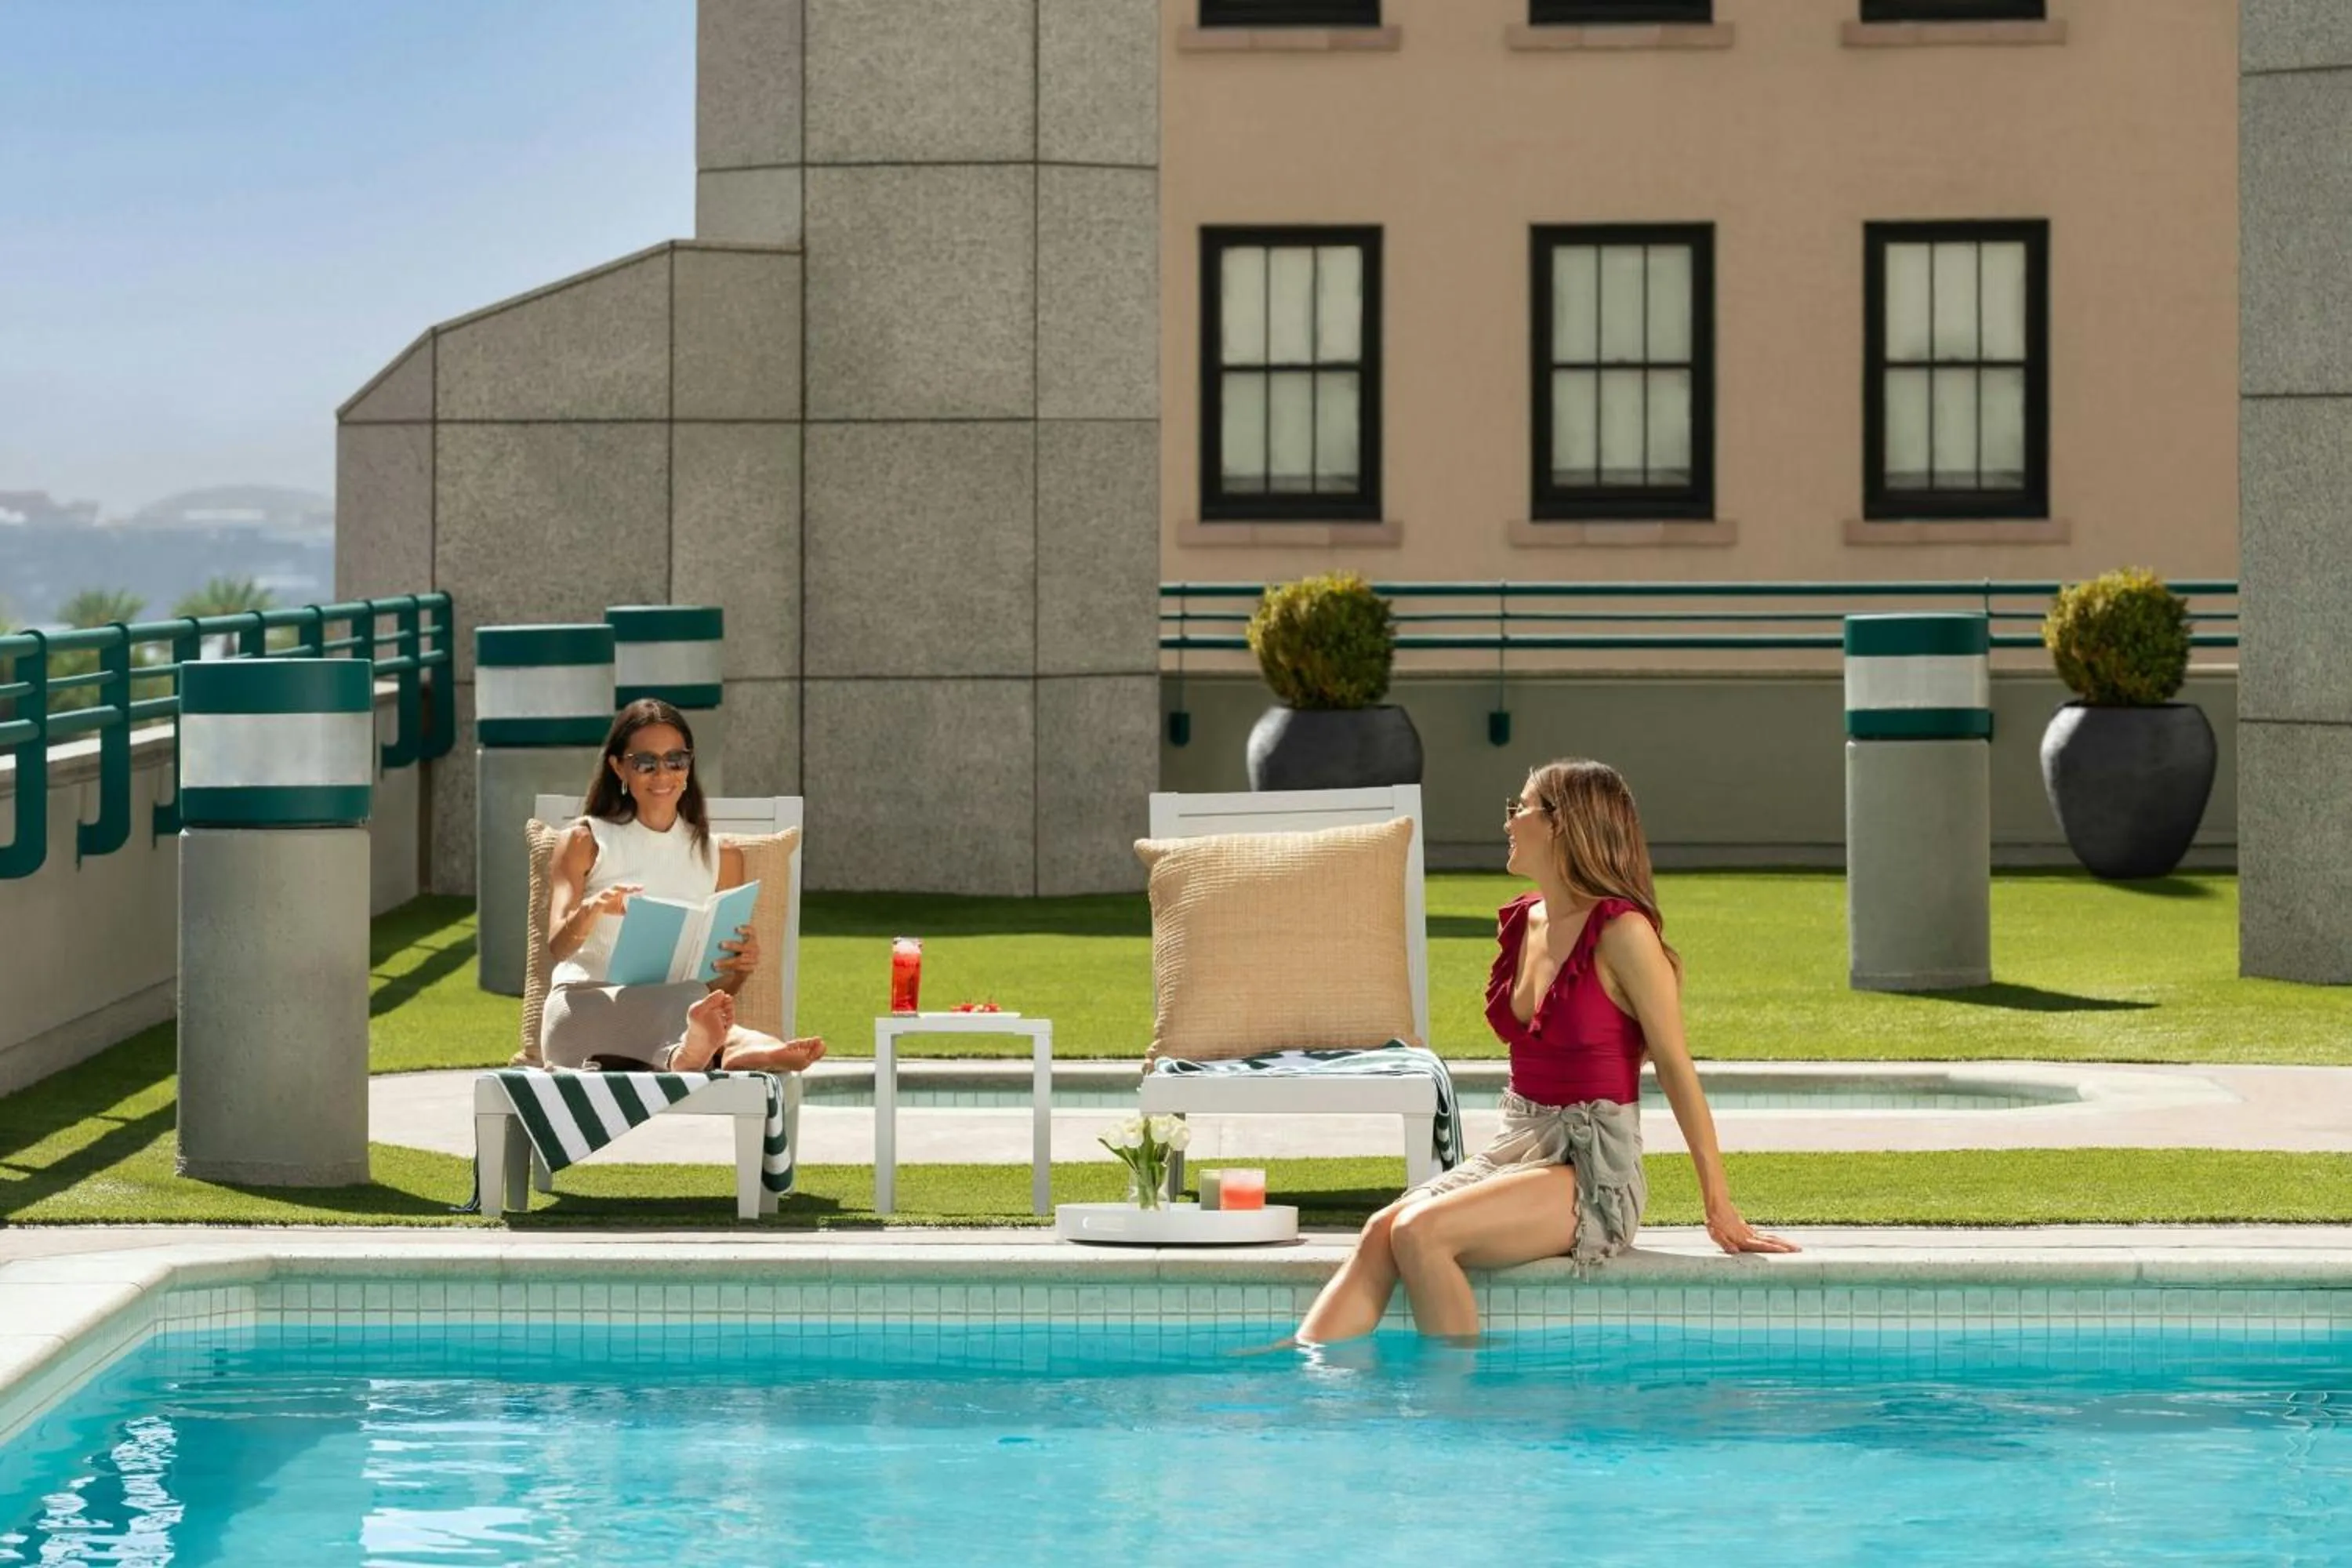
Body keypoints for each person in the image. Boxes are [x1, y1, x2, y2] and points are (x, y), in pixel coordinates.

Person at [1295, 758, 1795, 1344]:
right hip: (1520, 1149)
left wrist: (1720, 1206)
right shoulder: (1526, 922)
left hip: (1592, 1170)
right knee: (1383, 1228)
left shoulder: (1622, 933)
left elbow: (1678, 1070)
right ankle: (1299, 1379)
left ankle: (1454, 1410)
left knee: (1421, 1235)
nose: (1509, 822)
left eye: (1520, 808)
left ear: (1563, 824)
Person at [540, 698, 826, 1076]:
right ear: (618, 767)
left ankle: (693, 1055)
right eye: (646, 763)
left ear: (689, 767)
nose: (663, 774)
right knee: (686, 1001)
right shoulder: (586, 840)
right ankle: (736, 1045)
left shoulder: (721, 857)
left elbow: (716, 987)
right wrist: (592, 909)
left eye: (676, 760)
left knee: (693, 1000)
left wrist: (739, 968)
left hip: (673, 1015)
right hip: (585, 1010)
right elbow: (558, 946)